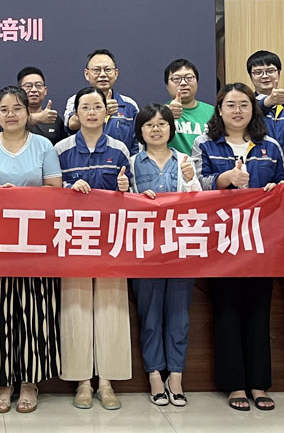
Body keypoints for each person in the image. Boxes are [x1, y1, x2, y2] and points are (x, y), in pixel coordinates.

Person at [191, 83, 284, 412]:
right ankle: (234, 384)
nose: (237, 111)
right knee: (226, 310)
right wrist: (225, 179)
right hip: (221, 240)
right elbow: (195, 185)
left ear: (253, 109)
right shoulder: (205, 143)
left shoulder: (269, 145)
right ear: (219, 110)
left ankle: (259, 383)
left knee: (259, 311)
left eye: (244, 104)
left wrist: (276, 187)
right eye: (230, 105)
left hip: (261, 241)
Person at [0, 85, 63, 415]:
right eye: (4, 109)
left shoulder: (43, 145)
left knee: (35, 312)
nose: (11, 114)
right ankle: (2, 382)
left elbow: (56, 190)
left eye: (17, 108)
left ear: (28, 112)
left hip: (36, 242)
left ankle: (29, 382)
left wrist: (21, 197)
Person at [55, 86, 133, 410]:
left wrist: (126, 188)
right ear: (75, 113)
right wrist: (67, 187)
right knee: (76, 308)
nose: (91, 112)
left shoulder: (120, 149)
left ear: (106, 112)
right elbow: (48, 191)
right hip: (73, 240)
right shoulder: (60, 149)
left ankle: (107, 382)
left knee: (111, 309)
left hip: (110, 241)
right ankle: (82, 382)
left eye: (96, 107)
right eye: (84, 107)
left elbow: (134, 198)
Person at [129, 103, 201, 409]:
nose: (156, 129)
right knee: (150, 316)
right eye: (149, 124)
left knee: (179, 316)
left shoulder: (185, 160)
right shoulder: (132, 163)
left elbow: (199, 202)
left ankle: (176, 376)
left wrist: (192, 179)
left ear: (171, 128)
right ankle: (155, 375)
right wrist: (131, 195)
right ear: (140, 130)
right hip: (145, 251)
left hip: (181, 249)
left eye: (161, 124)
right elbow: (123, 207)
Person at [64, 49, 139, 156]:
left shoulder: (129, 105)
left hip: (120, 164)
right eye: (96, 70)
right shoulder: (76, 100)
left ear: (116, 73)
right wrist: (100, 110)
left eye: (107, 69)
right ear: (87, 74)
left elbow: (137, 144)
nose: (103, 74)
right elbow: (71, 124)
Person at [246, 50, 284, 160]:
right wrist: (267, 103)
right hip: (260, 165)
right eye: (258, 72)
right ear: (250, 76)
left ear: (279, 73)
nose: (264, 76)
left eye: (270, 71)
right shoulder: (245, 106)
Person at [165, 59, 215, 157]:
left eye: (189, 78)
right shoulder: (159, 114)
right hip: (173, 165)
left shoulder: (213, 113)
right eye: (176, 79)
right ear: (167, 85)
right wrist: (165, 115)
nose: (183, 83)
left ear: (197, 81)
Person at [18, 66, 67, 145]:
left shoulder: (53, 119)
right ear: (19, 90)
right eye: (28, 86)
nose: (34, 90)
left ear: (45, 90)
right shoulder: (11, 116)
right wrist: (39, 117)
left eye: (38, 85)